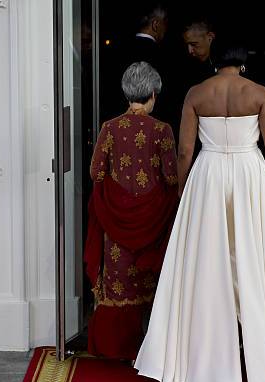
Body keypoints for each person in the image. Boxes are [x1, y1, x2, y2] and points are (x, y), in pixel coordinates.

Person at [134, 41, 265, 382]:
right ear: (243, 64)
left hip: (210, 173)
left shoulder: (197, 92)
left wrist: (183, 188)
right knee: (257, 258)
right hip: (250, 173)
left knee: (206, 260)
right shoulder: (259, 92)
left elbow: (185, 149)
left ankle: (202, 355)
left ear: (215, 62)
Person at [85, 62, 179, 362]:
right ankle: (151, 351)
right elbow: (172, 177)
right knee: (151, 282)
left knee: (118, 278)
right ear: (153, 93)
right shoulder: (162, 130)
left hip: (116, 220)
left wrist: (116, 197)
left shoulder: (109, 128)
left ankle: (115, 349)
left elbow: (96, 171)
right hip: (153, 220)